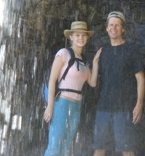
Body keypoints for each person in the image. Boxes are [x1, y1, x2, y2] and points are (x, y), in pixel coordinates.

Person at [92, 11, 145, 156]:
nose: (113, 28)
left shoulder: (132, 50)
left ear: (123, 29)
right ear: (106, 28)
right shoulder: (103, 51)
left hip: (124, 108)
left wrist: (139, 104)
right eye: (111, 25)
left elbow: (140, 78)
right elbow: (93, 82)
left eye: (117, 25)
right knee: (99, 148)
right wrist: (94, 63)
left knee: (126, 149)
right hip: (103, 107)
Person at [43, 21, 101, 156]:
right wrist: (50, 106)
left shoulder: (83, 60)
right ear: (71, 37)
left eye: (84, 35)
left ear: (87, 37)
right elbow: (52, 80)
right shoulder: (63, 54)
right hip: (61, 103)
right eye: (77, 35)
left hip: (76, 105)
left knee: (67, 143)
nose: (81, 38)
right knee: (55, 143)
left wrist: (95, 62)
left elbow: (92, 83)